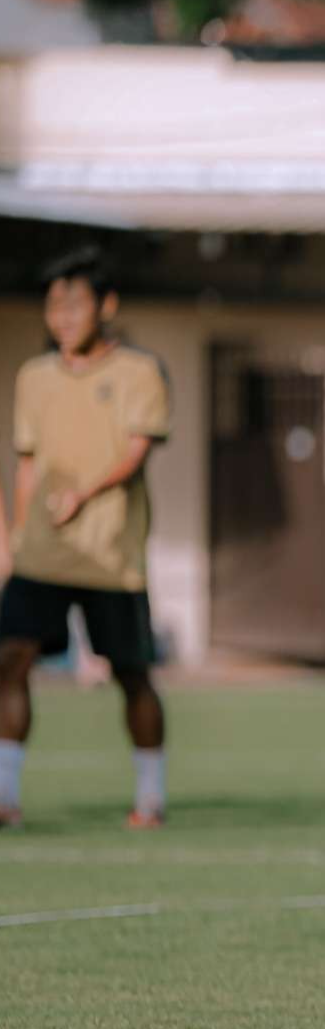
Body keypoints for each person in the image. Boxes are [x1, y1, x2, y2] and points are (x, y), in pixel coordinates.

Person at [0, 247, 172, 831]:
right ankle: (5, 795)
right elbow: (27, 464)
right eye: (53, 306)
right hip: (42, 554)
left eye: (74, 305)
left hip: (109, 555)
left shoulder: (140, 372)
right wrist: (19, 537)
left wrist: (82, 495)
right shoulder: (34, 377)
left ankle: (150, 798)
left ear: (106, 306)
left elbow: (136, 451)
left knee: (131, 674)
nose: (62, 318)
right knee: (11, 660)